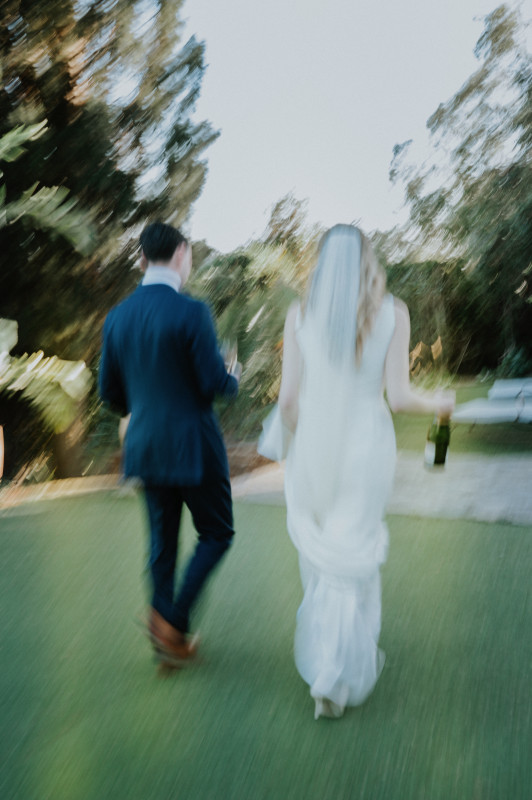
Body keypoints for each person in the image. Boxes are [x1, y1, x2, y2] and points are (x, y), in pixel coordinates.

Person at [278, 224, 454, 719]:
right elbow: (398, 397)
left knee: (331, 548)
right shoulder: (394, 314)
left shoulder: (299, 315)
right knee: (350, 545)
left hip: (316, 445)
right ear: (367, 262)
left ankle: (334, 659)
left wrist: (305, 436)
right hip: (367, 446)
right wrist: (439, 402)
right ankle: (333, 675)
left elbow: (288, 401)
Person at [99, 222, 240, 668]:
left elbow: (110, 395)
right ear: (181, 253)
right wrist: (232, 373)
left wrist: (146, 403)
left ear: (143, 259)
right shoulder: (192, 311)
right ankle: (172, 623)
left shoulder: (116, 317)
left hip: (145, 446)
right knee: (217, 533)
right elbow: (214, 384)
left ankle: (167, 643)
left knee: (161, 545)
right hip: (194, 446)